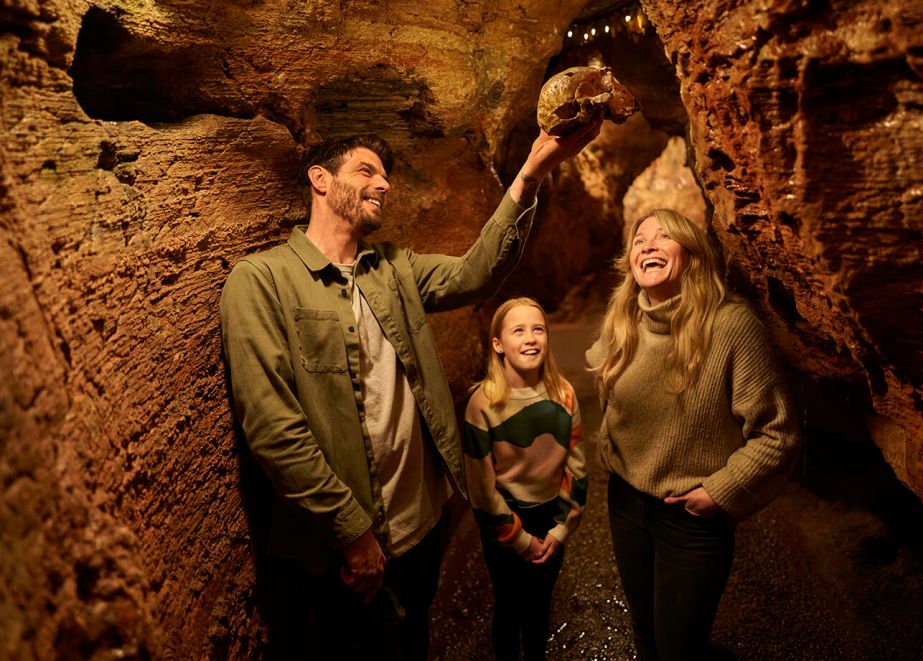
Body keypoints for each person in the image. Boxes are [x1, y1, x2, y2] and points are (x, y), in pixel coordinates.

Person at [220, 123, 600, 660]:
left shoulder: (393, 269)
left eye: (385, 175)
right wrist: (352, 532)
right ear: (320, 179)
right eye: (366, 170)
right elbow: (272, 425)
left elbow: (476, 273)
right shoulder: (262, 281)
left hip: (419, 528)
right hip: (340, 548)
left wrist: (531, 174)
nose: (384, 184)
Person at [586, 209, 801, 661]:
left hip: (690, 516)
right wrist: (610, 450)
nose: (648, 244)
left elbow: (777, 433)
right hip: (626, 501)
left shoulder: (729, 326)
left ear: (692, 255)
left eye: (664, 237)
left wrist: (720, 492)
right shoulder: (625, 319)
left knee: (679, 646)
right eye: (639, 238)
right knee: (644, 629)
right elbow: (612, 395)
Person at [463, 297, 588, 661]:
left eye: (538, 329)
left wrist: (561, 530)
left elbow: (577, 468)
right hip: (504, 521)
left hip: (550, 518)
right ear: (498, 344)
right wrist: (518, 539)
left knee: (539, 607)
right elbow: (482, 488)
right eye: (518, 330)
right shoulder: (483, 403)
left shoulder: (563, 394)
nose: (531, 338)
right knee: (508, 606)